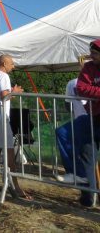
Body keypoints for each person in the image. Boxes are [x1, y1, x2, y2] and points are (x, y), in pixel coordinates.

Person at [0, 54, 31, 199]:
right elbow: (4, 95)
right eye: (11, 63)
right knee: (9, 151)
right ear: (4, 63)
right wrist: (14, 92)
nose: (13, 66)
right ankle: (15, 186)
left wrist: (11, 93)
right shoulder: (3, 76)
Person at [55, 55, 89, 184]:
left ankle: (87, 194)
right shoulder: (73, 83)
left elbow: (67, 106)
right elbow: (68, 105)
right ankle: (87, 194)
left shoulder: (73, 82)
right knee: (87, 157)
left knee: (85, 157)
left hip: (85, 121)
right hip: (83, 122)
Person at [75, 39, 100, 207]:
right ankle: (89, 197)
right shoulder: (88, 67)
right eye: (92, 52)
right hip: (95, 117)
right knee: (87, 155)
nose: (91, 56)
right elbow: (81, 88)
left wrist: (94, 91)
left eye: (95, 53)